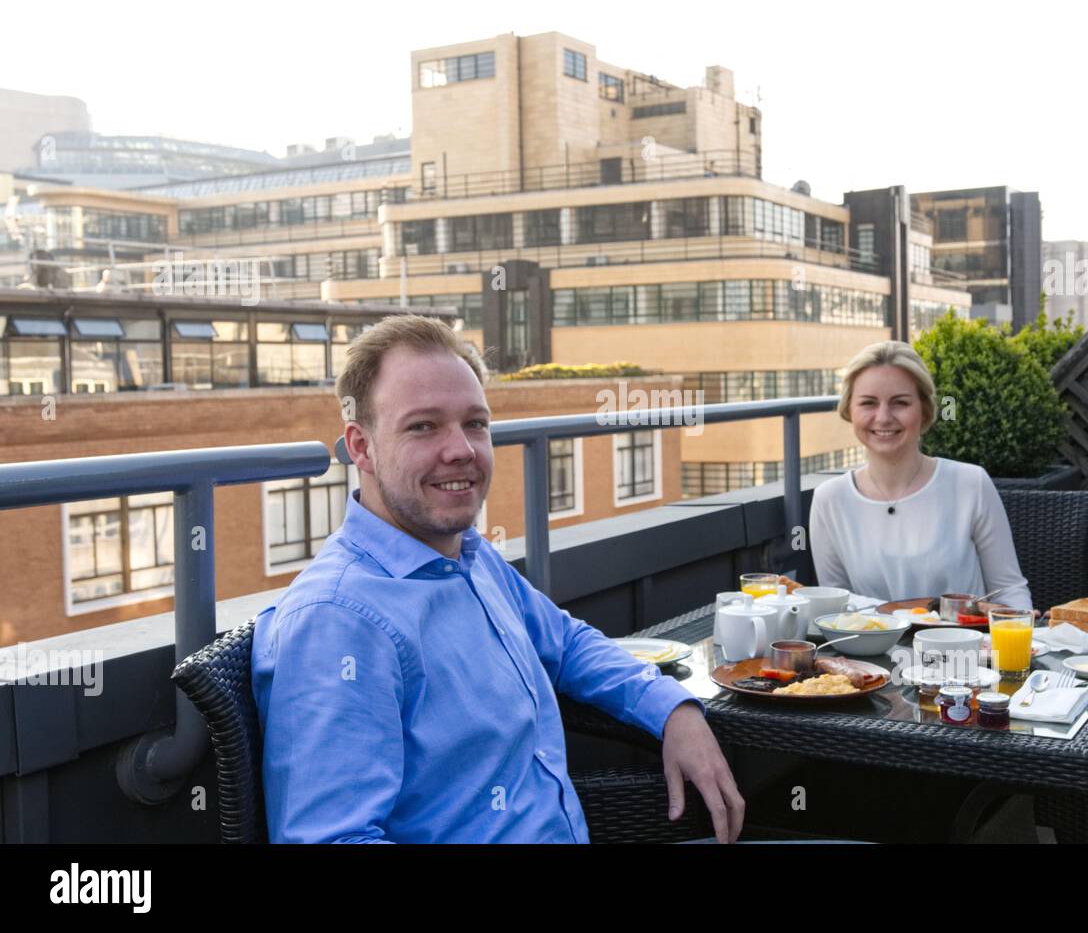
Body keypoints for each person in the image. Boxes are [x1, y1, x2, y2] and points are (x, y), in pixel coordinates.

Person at [251, 315, 744, 843]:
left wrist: (670, 709)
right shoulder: (339, 621)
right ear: (361, 447)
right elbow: (331, 838)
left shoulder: (467, 556)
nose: (461, 448)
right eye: (423, 426)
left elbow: (567, 642)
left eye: (475, 423)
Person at [808, 340, 1032, 609]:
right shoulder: (829, 499)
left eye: (900, 403)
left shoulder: (971, 483)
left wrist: (1020, 634)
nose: (883, 417)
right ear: (849, 411)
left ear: (924, 410)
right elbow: (836, 607)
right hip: (872, 650)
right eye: (868, 403)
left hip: (968, 648)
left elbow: (1008, 590)